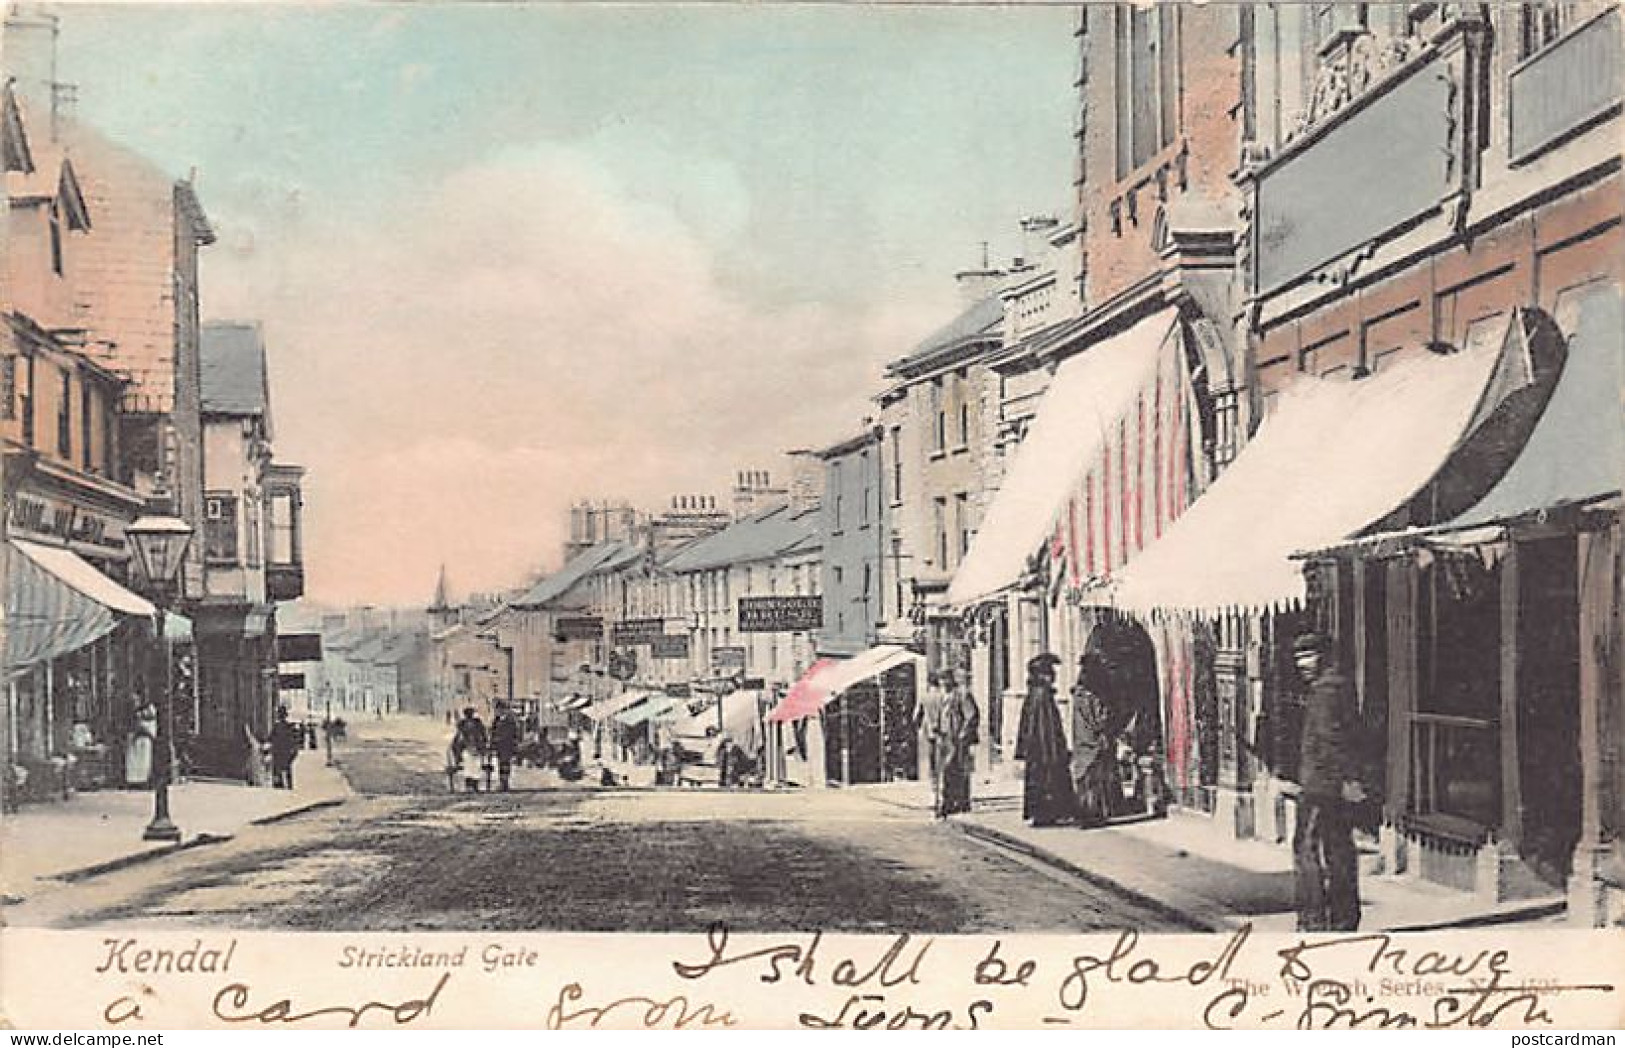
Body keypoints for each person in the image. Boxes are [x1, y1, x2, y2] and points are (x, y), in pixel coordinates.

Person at [1292, 632, 1365, 932]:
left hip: (1320, 786)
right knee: (1339, 849)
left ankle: (1313, 920)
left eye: (1309, 656)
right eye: (1299, 657)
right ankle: (1344, 919)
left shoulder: (1324, 692)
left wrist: (1339, 779)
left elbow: (1330, 740)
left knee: (1306, 849)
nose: (1302, 664)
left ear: (1324, 657)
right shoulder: (1341, 686)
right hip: (1334, 785)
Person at [1014, 653, 1076, 827]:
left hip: (1037, 751)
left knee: (1040, 781)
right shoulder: (1042, 696)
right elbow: (1044, 728)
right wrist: (1054, 752)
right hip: (1044, 751)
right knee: (1048, 781)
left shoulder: (1035, 694)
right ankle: (1047, 814)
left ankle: (1043, 814)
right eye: (1050, 672)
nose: (1053, 676)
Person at [1070, 670, 1123, 828]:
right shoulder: (1091, 698)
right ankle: (1093, 815)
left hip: (1081, 743)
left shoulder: (1077, 697)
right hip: (1093, 744)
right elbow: (1099, 721)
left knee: (1083, 780)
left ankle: (1084, 814)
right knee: (1094, 781)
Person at [930, 668, 980, 819]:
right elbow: (940, 715)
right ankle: (948, 802)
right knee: (945, 771)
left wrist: (963, 734)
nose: (943, 683)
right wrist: (936, 727)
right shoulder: (941, 696)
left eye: (946, 679)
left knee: (955, 770)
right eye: (941, 680)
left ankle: (956, 802)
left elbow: (971, 716)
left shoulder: (962, 695)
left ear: (952, 680)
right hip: (943, 738)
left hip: (957, 739)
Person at [451, 707, 489, 793]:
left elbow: (483, 736)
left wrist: (480, 746)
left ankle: (474, 784)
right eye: (468, 714)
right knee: (468, 764)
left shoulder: (478, 723)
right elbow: (459, 738)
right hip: (466, 748)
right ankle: (469, 784)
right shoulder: (462, 724)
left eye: (470, 714)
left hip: (477, 748)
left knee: (476, 765)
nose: (469, 716)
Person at [125, 697, 158, 787]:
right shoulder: (135, 715)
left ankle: (143, 780)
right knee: (134, 760)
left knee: (144, 761)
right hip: (136, 739)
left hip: (145, 740)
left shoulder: (147, 716)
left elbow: (150, 728)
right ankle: (133, 781)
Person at [489, 700, 520, 792]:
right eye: (496, 709)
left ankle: (505, 783)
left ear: (503, 709)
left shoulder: (510, 720)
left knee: (505, 763)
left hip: (507, 744)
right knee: (501, 763)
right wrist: (493, 741)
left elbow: (511, 733)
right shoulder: (496, 720)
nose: (497, 711)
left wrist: (499, 738)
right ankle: (502, 782)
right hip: (499, 745)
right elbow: (493, 731)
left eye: (498, 709)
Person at [269, 707, 302, 790]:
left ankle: (278, 785)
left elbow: (270, 738)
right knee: (287, 769)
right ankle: (289, 786)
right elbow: (294, 740)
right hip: (286, 752)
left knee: (277, 769)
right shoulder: (289, 727)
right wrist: (294, 750)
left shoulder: (277, 726)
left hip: (278, 751)